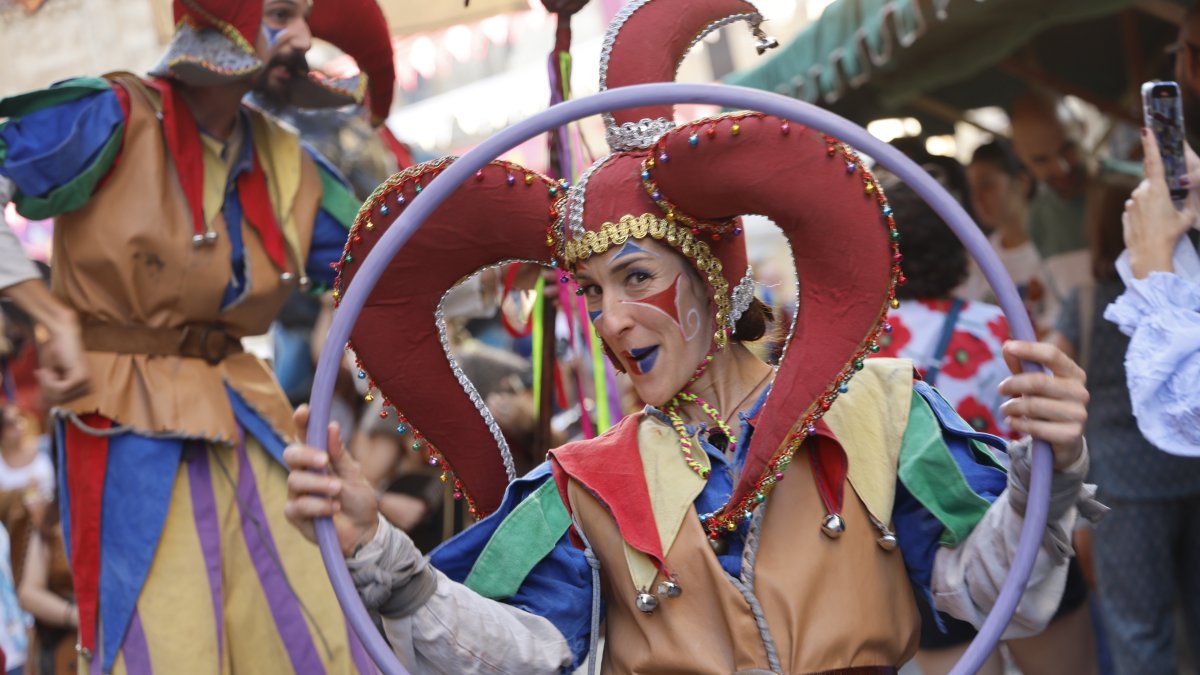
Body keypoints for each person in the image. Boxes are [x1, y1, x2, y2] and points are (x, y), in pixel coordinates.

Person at [286, 1, 1101, 673]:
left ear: (716, 276)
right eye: (590, 290)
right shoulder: (587, 482)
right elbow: (525, 655)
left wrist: (1048, 474)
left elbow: (996, 593)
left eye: (637, 276)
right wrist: (380, 553)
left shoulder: (881, 412)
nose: (610, 319)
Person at [0, 0, 395, 671]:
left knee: (317, 626)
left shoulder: (288, 164)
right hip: (126, 425)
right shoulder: (110, 116)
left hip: (250, 419)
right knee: (164, 644)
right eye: (282, 13)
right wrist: (49, 313)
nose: (303, 37)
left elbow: (386, 260)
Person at [1054, 173, 1200, 675]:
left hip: (1124, 487)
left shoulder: (1085, 303)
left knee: (1139, 628)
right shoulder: (1188, 296)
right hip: (1192, 468)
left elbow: (1053, 377)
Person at [1009, 91, 1099, 316]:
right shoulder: (1037, 217)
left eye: (1067, 149)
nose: (1061, 167)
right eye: (1041, 160)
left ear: (1083, 128)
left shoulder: (1138, 189)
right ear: (1020, 156)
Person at [959, 139, 1061, 335]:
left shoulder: (1054, 247)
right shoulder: (977, 258)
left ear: (1022, 182)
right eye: (972, 189)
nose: (977, 198)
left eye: (987, 185)